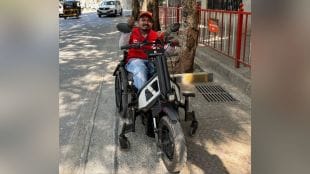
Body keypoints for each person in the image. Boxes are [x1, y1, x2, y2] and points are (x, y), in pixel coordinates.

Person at [125, 11, 160, 91]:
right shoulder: (132, 32)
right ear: (138, 22)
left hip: (152, 61)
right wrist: (127, 29)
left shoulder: (156, 35)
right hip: (135, 60)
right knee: (140, 68)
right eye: (143, 20)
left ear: (152, 24)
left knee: (162, 69)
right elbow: (122, 45)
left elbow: (164, 50)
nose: (146, 23)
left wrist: (172, 45)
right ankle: (143, 97)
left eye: (149, 21)